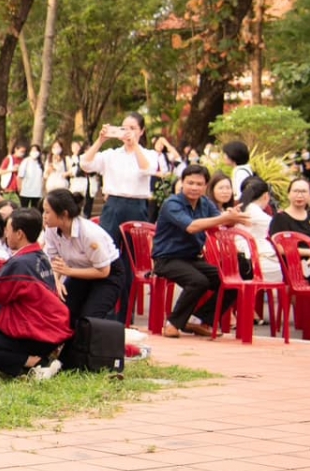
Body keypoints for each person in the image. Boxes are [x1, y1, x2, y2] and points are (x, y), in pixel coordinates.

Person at [151, 163, 245, 338]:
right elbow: (192, 227)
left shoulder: (205, 203)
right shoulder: (172, 204)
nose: (194, 187)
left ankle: (197, 320)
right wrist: (224, 218)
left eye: (199, 184)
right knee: (198, 281)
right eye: (190, 183)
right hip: (167, 259)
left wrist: (233, 216)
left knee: (231, 282)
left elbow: (221, 221)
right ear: (182, 183)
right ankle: (172, 323)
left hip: (192, 259)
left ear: (205, 186)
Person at [0, 212, 71, 379]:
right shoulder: (38, 255)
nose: (6, 234)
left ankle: (32, 361)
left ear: (19, 234)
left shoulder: (20, 263)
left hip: (38, 334)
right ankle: (9, 352)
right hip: (47, 327)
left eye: (8, 230)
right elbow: (9, 283)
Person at [41, 187, 128, 328]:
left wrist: (68, 272)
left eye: (47, 212)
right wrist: (56, 281)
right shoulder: (51, 230)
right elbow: (55, 260)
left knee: (88, 320)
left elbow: (103, 271)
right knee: (60, 310)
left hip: (107, 274)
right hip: (79, 272)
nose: (44, 216)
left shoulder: (89, 234)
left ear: (64, 214)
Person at [80, 114, 156, 237]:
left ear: (141, 131)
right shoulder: (111, 154)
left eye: (132, 128)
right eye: (124, 128)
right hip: (113, 204)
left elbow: (147, 169)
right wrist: (100, 140)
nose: (128, 132)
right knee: (108, 246)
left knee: (133, 248)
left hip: (137, 206)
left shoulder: (149, 154)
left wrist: (135, 145)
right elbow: (85, 164)